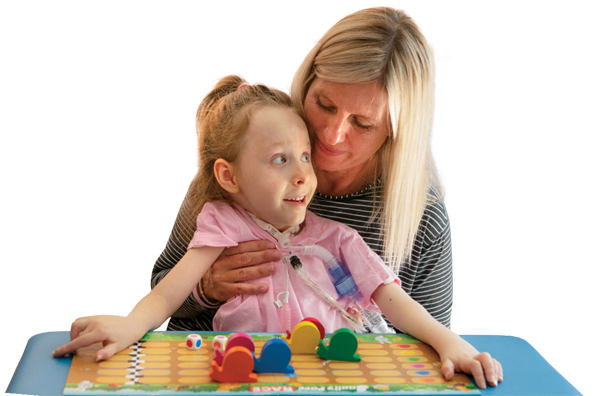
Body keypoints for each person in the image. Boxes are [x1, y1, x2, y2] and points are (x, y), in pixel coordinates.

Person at [53, 76, 501, 388]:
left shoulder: (338, 241)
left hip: (330, 378)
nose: (304, 173)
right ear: (229, 176)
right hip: (242, 377)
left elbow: (396, 305)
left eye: (305, 156)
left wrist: (450, 343)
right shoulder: (220, 222)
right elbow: (168, 293)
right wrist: (130, 324)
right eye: (280, 160)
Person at [153, 7, 452, 334]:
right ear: (307, 84)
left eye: (362, 124)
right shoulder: (248, 162)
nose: (331, 134)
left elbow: (430, 351)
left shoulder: (422, 219)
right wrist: (206, 287)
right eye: (325, 105)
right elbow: (161, 288)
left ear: (396, 130)